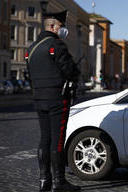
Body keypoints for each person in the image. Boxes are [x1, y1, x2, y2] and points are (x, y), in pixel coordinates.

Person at [25, 10, 81, 192]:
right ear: (52, 26)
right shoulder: (57, 45)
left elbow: (29, 75)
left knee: (44, 139)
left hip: (39, 98)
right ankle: (59, 182)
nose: (63, 30)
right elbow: (70, 71)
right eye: (61, 26)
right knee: (57, 140)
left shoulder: (32, 48)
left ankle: (44, 180)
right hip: (57, 99)